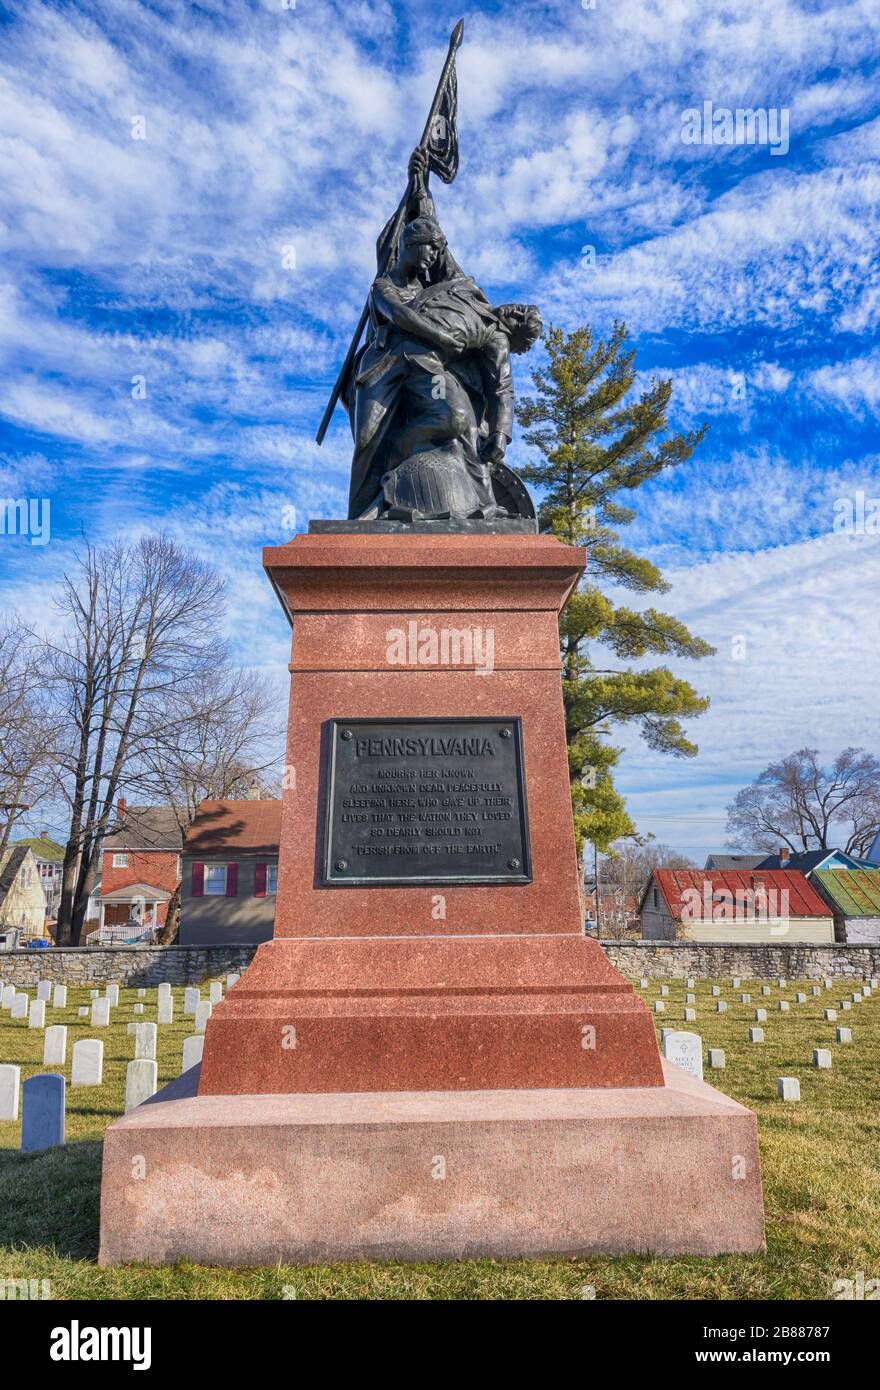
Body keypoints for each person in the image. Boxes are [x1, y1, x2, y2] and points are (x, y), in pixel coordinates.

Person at [346, 148, 541, 520]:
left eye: (518, 318)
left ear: (514, 333)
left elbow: (502, 387)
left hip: (426, 363)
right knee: (367, 441)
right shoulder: (462, 287)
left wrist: (500, 434)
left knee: (460, 421)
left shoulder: (491, 334)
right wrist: (419, 186)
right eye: (517, 307)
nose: (513, 310)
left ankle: (467, 495)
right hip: (382, 365)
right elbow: (437, 245)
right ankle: (362, 516)